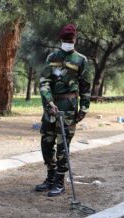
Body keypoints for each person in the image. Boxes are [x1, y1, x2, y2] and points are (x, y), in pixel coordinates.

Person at [35, 24, 91, 197]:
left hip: (69, 108)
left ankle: (59, 182)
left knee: (63, 146)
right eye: (66, 40)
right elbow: (44, 82)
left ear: (75, 40)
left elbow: (85, 86)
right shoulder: (52, 57)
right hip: (51, 108)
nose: (68, 42)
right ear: (61, 40)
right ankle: (50, 177)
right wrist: (49, 102)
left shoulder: (81, 60)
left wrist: (84, 108)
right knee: (46, 142)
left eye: (71, 40)